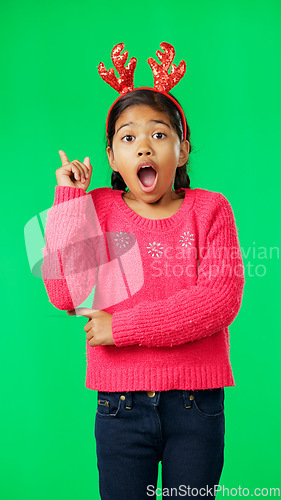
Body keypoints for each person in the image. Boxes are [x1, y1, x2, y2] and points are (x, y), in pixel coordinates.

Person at [41, 43, 245, 500]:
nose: (144, 146)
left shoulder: (211, 209)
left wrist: (123, 327)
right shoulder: (95, 208)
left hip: (196, 404)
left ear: (182, 149)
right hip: (120, 407)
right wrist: (70, 201)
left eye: (159, 134)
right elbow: (66, 294)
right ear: (112, 157)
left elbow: (218, 301)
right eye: (128, 138)